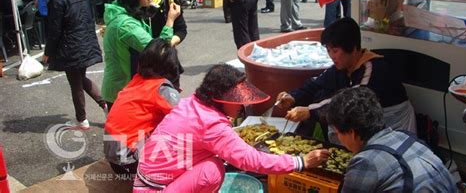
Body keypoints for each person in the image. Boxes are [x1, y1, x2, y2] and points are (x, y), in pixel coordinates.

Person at [134, 64, 330, 192]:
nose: (241, 105)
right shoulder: (211, 124)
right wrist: (300, 162)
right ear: (221, 100)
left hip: (146, 180)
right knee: (213, 169)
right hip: (155, 189)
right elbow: (250, 160)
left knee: (213, 159)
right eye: (237, 100)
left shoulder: (192, 104)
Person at [276, 18, 416, 138]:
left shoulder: (374, 69)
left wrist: (310, 111)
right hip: (365, 123)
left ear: (353, 48)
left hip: (392, 124)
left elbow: (352, 99)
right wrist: (292, 97)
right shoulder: (340, 67)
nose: (331, 55)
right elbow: (315, 84)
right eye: (328, 50)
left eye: (335, 51)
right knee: (320, 94)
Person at [326, 87, 456, 192]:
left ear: (351, 133)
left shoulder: (366, 161)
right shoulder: (405, 137)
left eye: (337, 133)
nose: (338, 138)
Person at [101, 0, 181, 108]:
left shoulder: (122, 12)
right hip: (122, 90)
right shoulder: (126, 25)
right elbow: (159, 51)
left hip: (121, 88)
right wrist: (170, 20)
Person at [43, 0, 105, 130]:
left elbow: (54, 29)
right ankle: (104, 105)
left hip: (69, 45)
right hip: (85, 42)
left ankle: (82, 119)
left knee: (76, 82)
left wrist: (48, 52)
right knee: (80, 78)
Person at [104, 38, 181, 175]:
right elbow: (186, 117)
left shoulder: (137, 79)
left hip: (114, 155)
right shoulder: (161, 89)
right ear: (172, 67)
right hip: (129, 161)